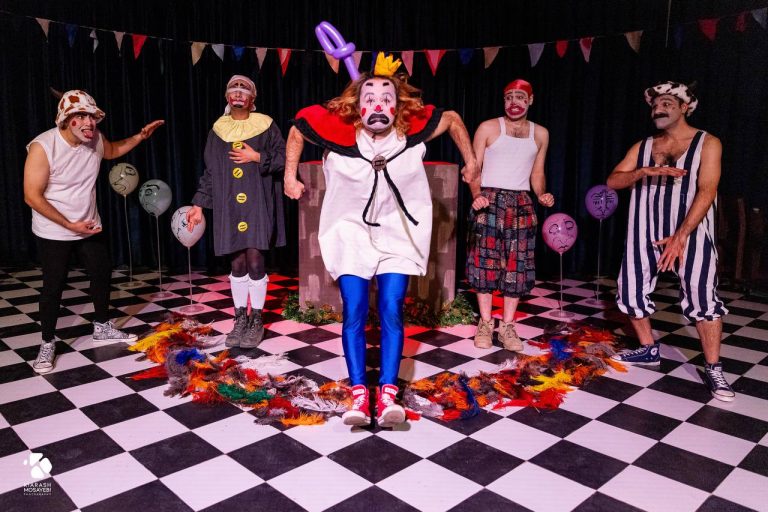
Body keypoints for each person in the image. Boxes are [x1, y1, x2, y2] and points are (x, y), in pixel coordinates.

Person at [284, 54, 479, 428]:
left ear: (398, 105)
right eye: (369, 98)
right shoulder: (338, 134)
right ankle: (359, 393)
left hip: (397, 234)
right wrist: (289, 176)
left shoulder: (410, 136)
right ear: (357, 106)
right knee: (355, 309)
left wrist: (471, 160)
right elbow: (297, 129)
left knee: (391, 307)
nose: (378, 105)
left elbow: (452, 118)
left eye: (386, 98)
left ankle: (388, 393)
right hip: (350, 233)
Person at [607, 81, 734, 401]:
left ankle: (714, 367)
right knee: (630, 290)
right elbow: (613, 181)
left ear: (684, 108)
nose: (658, 109)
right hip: (643, 230)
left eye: (666, 103)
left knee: (702, 298)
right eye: (654, 105)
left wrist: (680, 236)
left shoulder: (708, 143)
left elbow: (707, 190)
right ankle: (648, 348)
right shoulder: (643, 146)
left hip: (691, 233)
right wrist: (642, 172)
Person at [23, 89, 164, 374]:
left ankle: (101, 326)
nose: (90, 122)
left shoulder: (95, 139)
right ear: (66, 120)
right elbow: (31, 196)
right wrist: (68, 225)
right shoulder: (43, 147)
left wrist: (140, 136)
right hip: (54, 229)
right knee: (53, 286)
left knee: (101, 272)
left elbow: (112, 151)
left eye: (92, 116)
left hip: (88, 224)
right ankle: (47, 342)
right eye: (81, 116)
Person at [187, 75, 287, 349]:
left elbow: (284, 157)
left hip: (257, 203)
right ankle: (240, 318)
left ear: (252, 98)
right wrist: (198, 204)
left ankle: (257, 319)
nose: (238, 92)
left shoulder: (265, 125)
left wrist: (257, 157)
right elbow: (210, 170)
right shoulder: (218, 130)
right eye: (233, 88)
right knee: (237, 264)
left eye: (244, 89)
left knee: (255, 261)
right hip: (229, 204)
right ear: (227, 97)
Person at [467, 79, 554, 351]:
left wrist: (541, 194)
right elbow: (473, 167)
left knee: (518, 266)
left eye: (519, 97)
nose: (513, 102)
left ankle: (507, 326)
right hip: (489, 200)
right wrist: (476, 194)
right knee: (484, 263)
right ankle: (485, 323)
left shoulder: (541, 133)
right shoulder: (488, 127)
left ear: (530, 100)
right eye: (509, 97)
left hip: (521, 202)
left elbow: (537, 172)